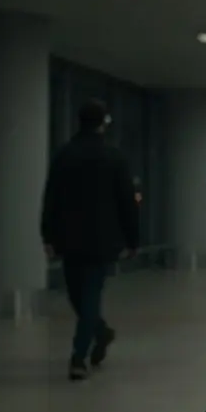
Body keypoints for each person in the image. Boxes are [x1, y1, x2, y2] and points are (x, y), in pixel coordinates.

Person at [40, 99, 140, 381]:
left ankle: (79, 355)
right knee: (88, 298)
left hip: (69, 239)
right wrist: (132, 239)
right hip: (102, 239)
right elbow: (126, 203)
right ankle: (99, 332)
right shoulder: (114, 157)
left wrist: (47, 234)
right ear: (103, 123)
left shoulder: (64, 155)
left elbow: (51, 198)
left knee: (78, 295)